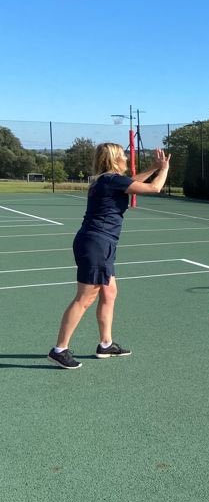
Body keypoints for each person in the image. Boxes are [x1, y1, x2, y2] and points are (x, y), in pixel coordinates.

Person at [48, 143, 171, 369]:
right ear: (115, 159)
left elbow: (131, 181)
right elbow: (154, 189)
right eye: (123, 155)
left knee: (110, 292)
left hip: (98, 243)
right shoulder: (111, 181)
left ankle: (106, 344)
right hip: (96, 244)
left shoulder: (106, 180)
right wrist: (162, 169)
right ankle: (59, 349)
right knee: (84, 299)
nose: (125, 157)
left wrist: (153, 167)